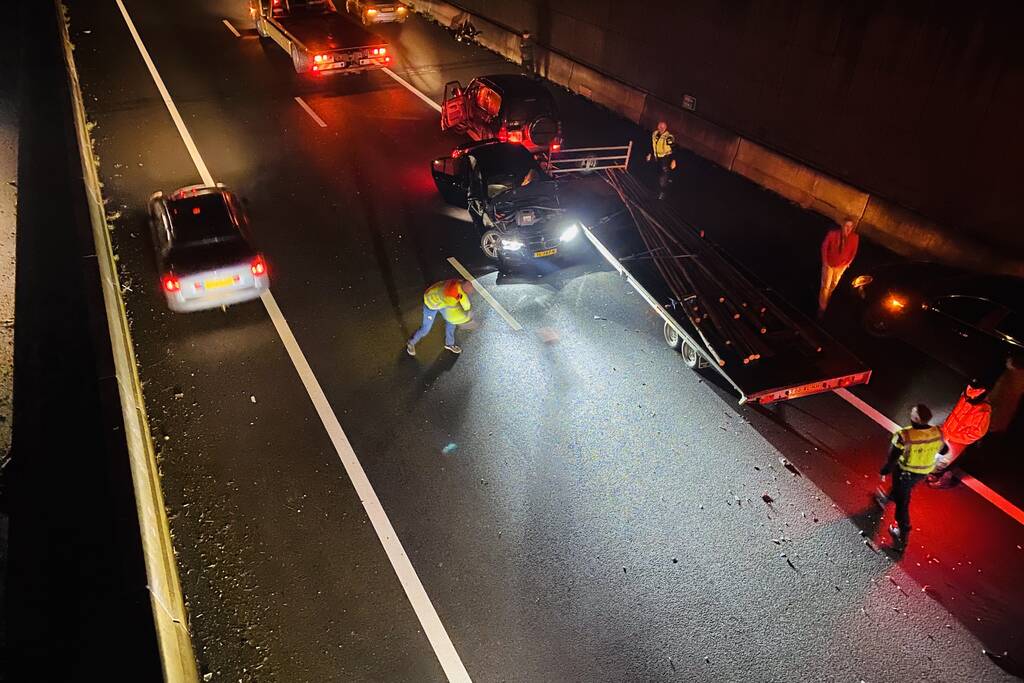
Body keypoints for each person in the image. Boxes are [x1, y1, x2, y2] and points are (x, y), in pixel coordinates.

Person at [876, 403, 947, 552]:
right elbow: (944, 449)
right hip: (923, 472)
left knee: (903, 504)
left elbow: (893, 457)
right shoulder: (937, 432)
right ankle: (887, 498)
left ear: (915, 418)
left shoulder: (904, 435)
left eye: (913, 414)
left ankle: (903, 535)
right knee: (902, 490)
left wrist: (884, 470)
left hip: (905, 472)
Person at [928, 380, 991, 488]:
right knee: (939, 457)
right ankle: (937, 473)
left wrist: (955, 436)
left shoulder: (982, 409)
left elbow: (978, 433)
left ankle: (943, 479)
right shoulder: (967, 397)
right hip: (949, 433)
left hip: (958, 440)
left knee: (948, 461)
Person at [407, 279, 473, 356]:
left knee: (451, 322)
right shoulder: (451, 296)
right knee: (426, 328)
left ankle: (449, 344)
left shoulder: (458, 284)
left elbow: (463, 297)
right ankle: (411, 343)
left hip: (440, 301)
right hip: (431, 305)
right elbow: (455, 313)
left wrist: (468, 309)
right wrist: (467, 320)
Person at [817, 217, 859, 318]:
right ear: (842, 225)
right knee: (826, 285)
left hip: (841, 266)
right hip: (829, 264)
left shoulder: (855, 237)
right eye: (846, 226)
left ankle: (826, 300)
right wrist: (825, 262)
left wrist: (847, 263)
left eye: (850, 227)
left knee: (834, 284)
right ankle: (822, 307)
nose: (848, 229)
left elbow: (853, 252)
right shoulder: (833, 234)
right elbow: (824, 246)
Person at [645, 121, 677, 199]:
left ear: (666, 128)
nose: (661, 128)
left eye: (663, 127)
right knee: (655, 173)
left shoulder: (669, 137)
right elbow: (652, 144)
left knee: (663, 176)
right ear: (657, 127)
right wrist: (650, 154)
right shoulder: (655, 134)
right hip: (656, 156)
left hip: (665, 157)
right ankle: (654, 190)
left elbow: (675, 149)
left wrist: (674, 160)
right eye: (660, 127)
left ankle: (663, 192)